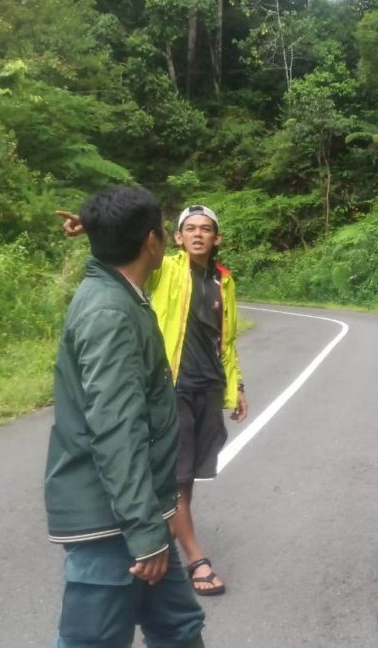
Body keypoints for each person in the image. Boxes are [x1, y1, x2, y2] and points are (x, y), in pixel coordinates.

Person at [57, 203, 248, 597]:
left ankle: (161, 535)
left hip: (208, 387)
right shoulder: (166, 269)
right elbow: (128, 251)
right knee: (174, 474)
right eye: (189, 228)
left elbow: (225, 340)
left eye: (205, 229)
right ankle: (193, 556)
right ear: (175, 238)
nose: (197, 234)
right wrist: (95, 226)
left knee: (188, 475)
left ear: (217, 238)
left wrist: (236, 387)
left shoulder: (223, 281)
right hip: (172, 386)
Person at [45, 185, 205, 648]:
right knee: (92, 641)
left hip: (138, 514)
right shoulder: (109, 311)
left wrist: (97, 225)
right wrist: (143, 533)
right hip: (113, 522)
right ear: (153, 241)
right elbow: (116, 428)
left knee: (178, 628)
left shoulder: (119, 292)